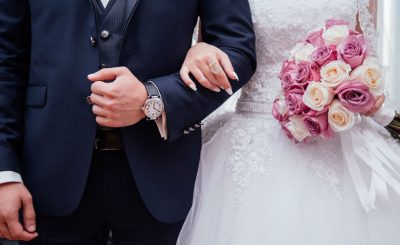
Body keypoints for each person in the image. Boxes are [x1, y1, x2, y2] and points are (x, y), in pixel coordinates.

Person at [0, 0, 256, 244]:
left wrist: (154, 99)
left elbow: (236, 51)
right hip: (49, 171)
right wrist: (4, 171)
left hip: (161, 171)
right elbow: (7, 60)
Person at [177, 0, 400, 244]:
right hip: (254, 142)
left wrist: (359, 88)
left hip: (340, 136)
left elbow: (363, 47)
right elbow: (213, 52)